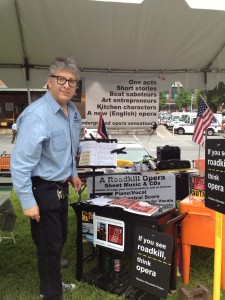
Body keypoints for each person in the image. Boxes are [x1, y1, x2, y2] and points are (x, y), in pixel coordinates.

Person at [10, 57, 82, 300]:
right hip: (42, 188)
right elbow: (20, 164)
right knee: (49, 245)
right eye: (61, 79)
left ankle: (52, 284)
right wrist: (28, 202)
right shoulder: (36, 116)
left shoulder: (72, 111)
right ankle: (51, 294)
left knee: (58, 239)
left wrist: (72, 173)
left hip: (61, 187)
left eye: (72, 81)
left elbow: (70, 148)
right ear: (49, 82)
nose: (67, 85)